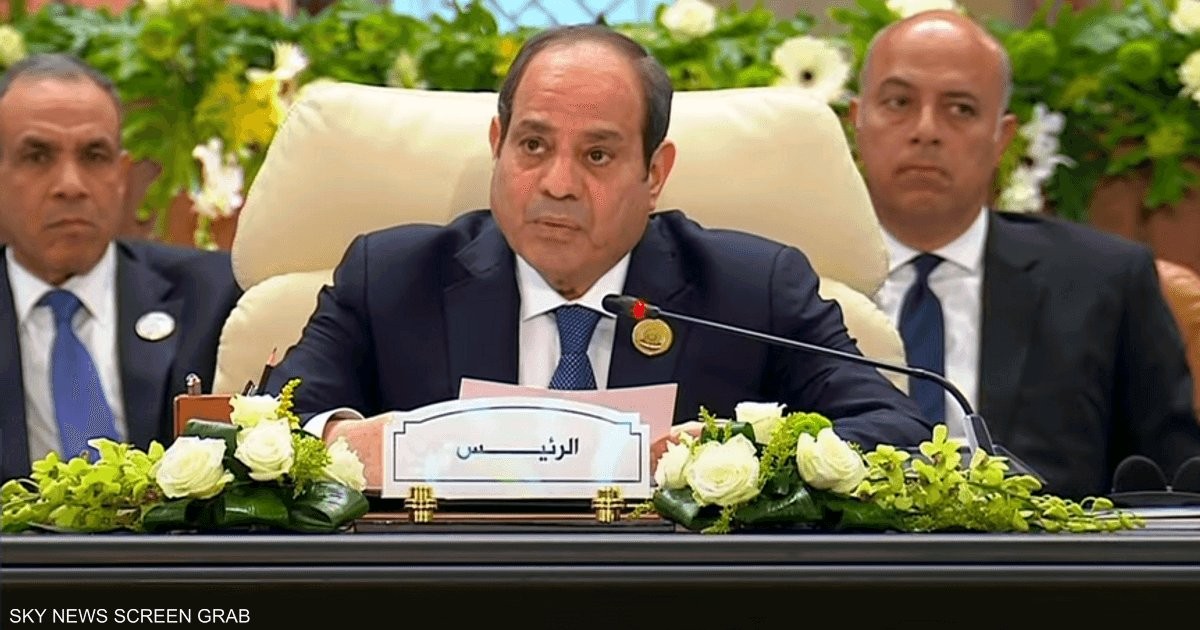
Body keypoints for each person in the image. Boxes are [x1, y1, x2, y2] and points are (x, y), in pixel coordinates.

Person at [267, 24, 935, 488]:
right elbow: (269, 430)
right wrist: (343, 442)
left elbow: (895, 432)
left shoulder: (749, 290)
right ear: (497, 145)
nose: (558, 183)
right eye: (533, 146)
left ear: (654, 174)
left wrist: (740, 456)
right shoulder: (391, 279)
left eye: (596, 155)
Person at [851, 10, 1200, 498]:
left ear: (1003, 138)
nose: (925, 130)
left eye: (961, 109)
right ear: (857, 120)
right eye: (899, 102)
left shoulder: (1105, 282)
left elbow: (1173, 486)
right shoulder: (792, 279)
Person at [0, 54, 241, 481]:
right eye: (37, 157)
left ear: (122, 175)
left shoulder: (213, 297)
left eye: (94, 156)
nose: (70, 185)